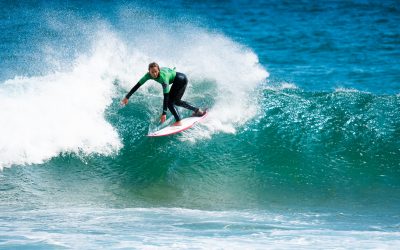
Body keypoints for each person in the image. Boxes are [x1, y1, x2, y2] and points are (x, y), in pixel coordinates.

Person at [121, 62, 205, 126]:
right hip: (178, 78)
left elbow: (166, 96)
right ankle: (198, 111)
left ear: (158, 70)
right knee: (176, 102)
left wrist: (164, 113)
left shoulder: (163, 78)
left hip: (181, 80)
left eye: (156, 71)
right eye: (152, 72)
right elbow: (137, 85)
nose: (154, 74)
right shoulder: (147, 76)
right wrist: (127, 97)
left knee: (169, 102)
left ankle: (178, 121)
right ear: (149, 71)